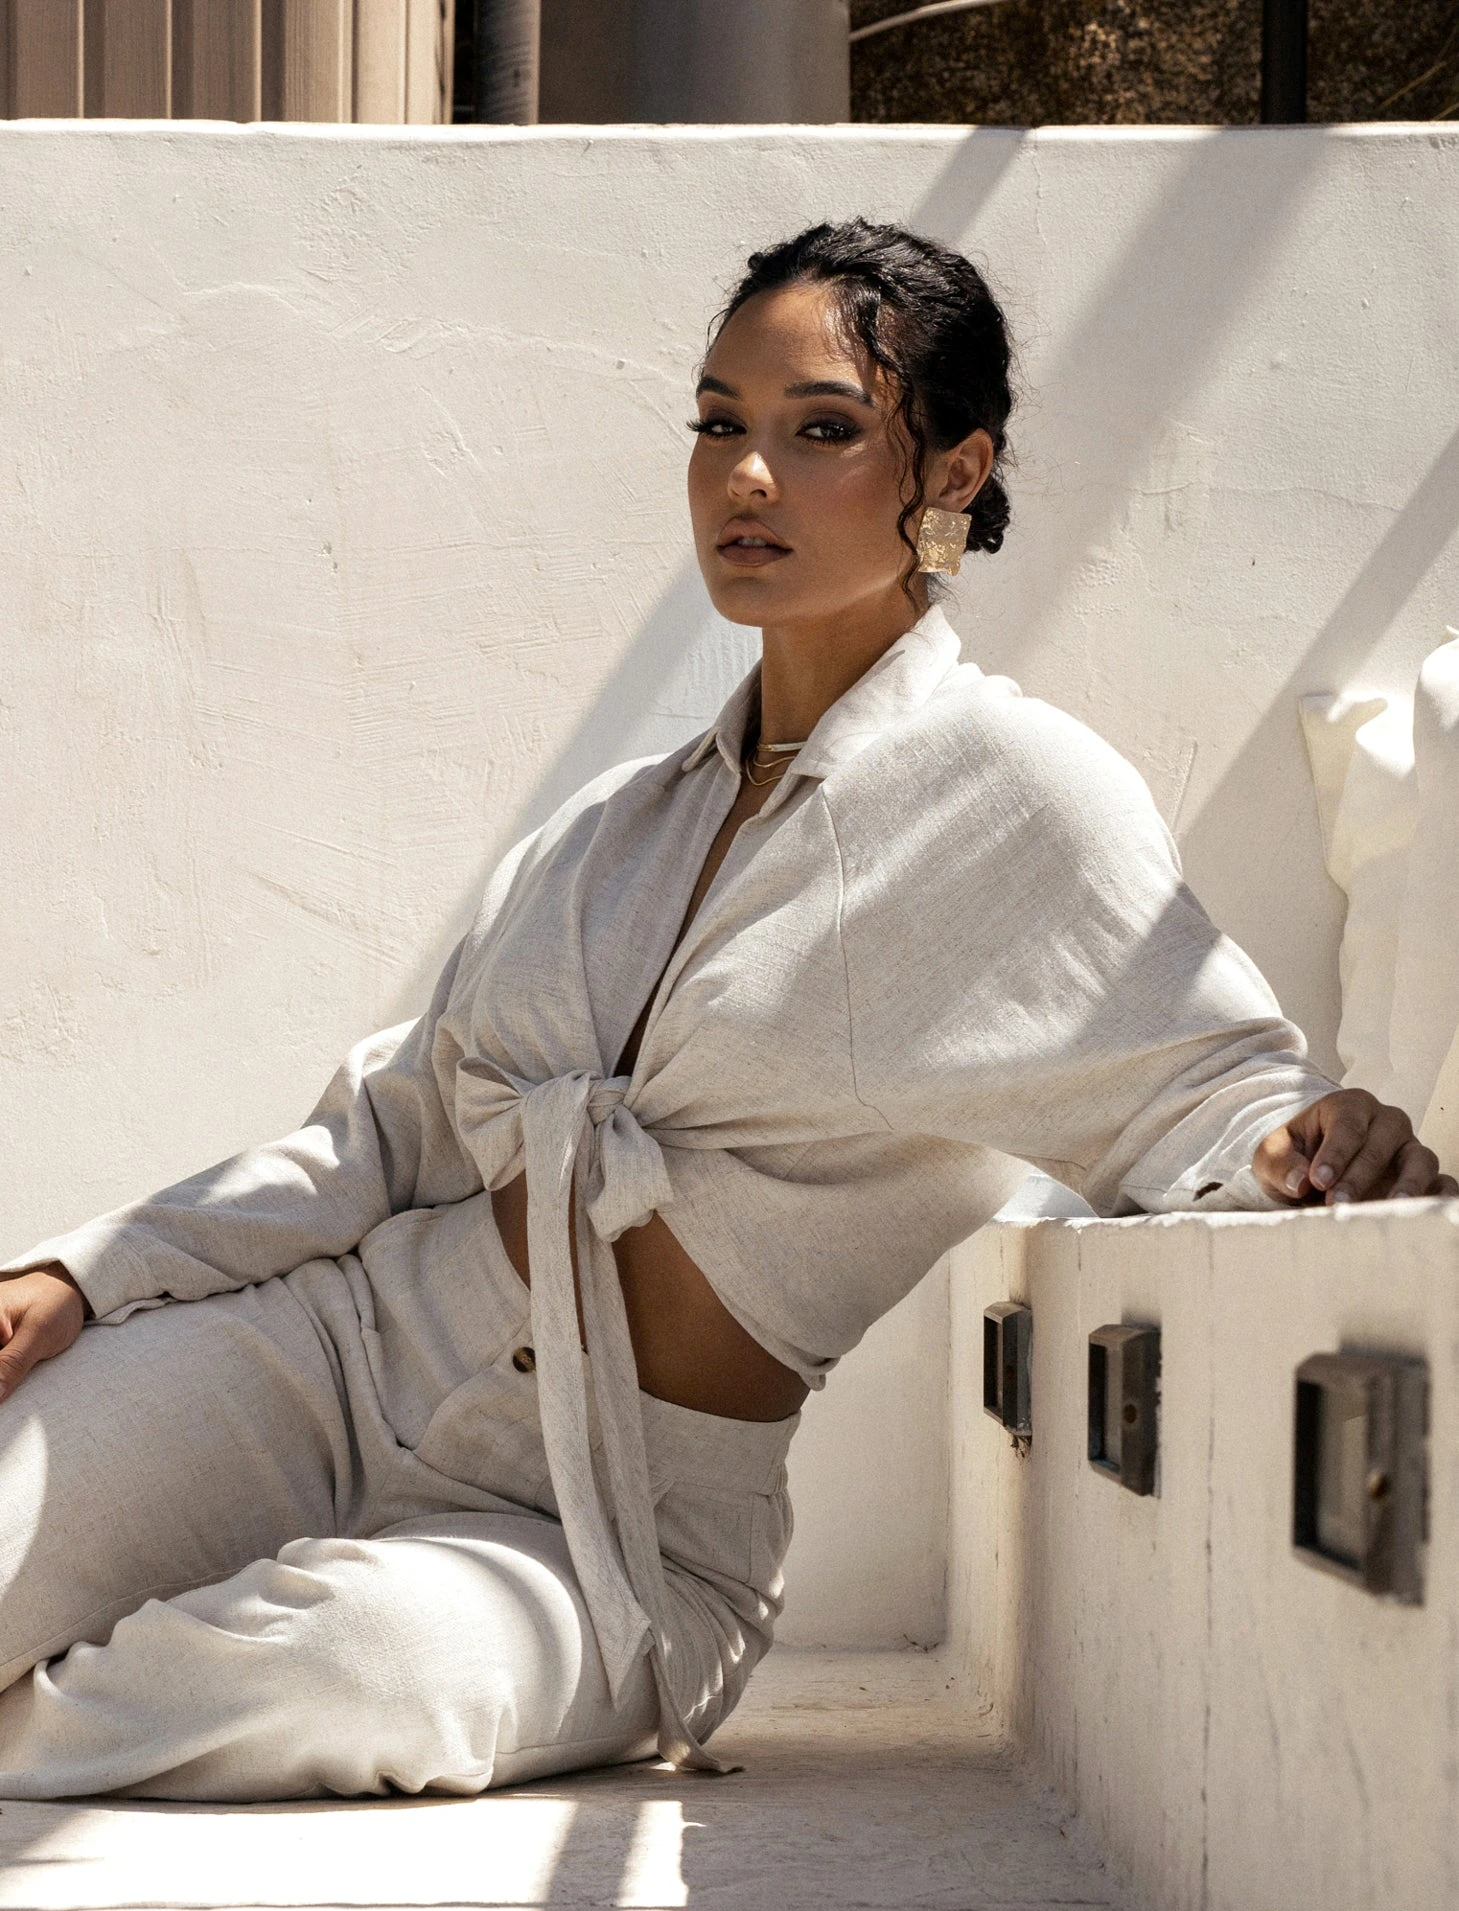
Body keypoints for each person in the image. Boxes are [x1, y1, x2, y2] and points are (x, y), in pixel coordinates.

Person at [0, 220, 1451, 1803]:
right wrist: (91, 1270)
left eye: (819, 430)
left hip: (609, 1533)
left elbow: (1207, 1091)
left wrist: (1310, 1143)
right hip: (327, 1355)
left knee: (356, 1670)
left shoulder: (1015, 800)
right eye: (716, 424)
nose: (744, 476)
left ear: (952, 472)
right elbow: (385, 1136)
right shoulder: (611, 828)